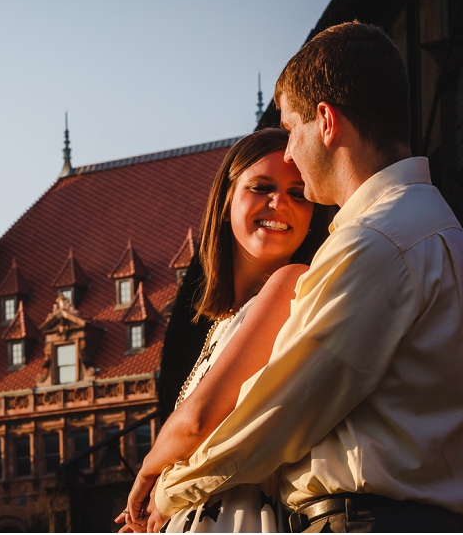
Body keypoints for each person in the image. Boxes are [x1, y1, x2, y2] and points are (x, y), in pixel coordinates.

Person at [128, 21, 463, 533]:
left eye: (291, 129)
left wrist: (168, 490)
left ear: (326, 122)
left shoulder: (376, 242)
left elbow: (278, 412)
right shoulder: (432, 229)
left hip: (367, 519)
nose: (288, 153)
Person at [113, 127, 330, 533]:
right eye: (261, 186)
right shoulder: (225, 320)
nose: (279, 201)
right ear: (226, 199)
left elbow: (198, 420)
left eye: (298, 193)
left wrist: (145, 474)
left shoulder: (291, 282)